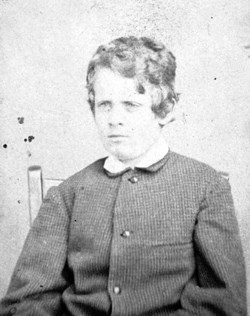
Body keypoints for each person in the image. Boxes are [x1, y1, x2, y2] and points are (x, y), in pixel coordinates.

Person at [0, 36, 247, 316]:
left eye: (130, 105)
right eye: (105, 104)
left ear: (164, 110)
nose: (114, 119)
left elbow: (221, 305)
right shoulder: (66, 195)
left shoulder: (206, 187)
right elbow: (27, 300)